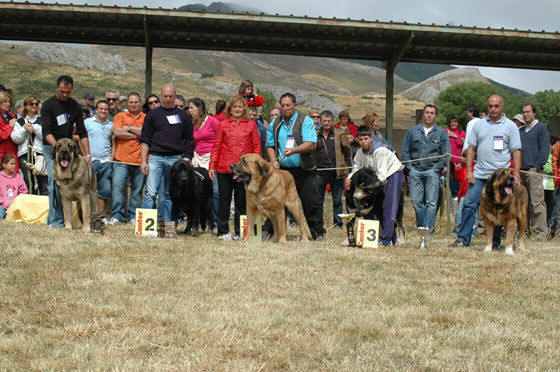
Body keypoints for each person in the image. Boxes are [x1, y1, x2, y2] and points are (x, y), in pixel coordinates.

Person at [450, 95, 522, 248]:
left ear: (502, 106)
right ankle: (463, 239)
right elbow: (471, 149)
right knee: (469, 204)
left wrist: (515, 173)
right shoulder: (479, 125)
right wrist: (469, 171)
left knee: (497, 209)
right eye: (490, 106)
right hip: (480, 175)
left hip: (500, 179)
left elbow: (516, 151)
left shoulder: (510, 126)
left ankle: (494, 242)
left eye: (496, 106)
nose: (493, 109)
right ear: (487, 107)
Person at [266, 92, 325, 240]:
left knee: (311, 201)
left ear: (295, 105)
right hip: (283, 170)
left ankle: (318, 233)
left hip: (304, 169)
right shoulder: (275, 122)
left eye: (288, 105)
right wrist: (273, 161)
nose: (285, 108)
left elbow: (311, 143)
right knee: (275, 201)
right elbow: (270, 144)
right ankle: (271, 232)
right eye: (283, 105)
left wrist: (294, 150)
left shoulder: (305, 120)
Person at [41, 75, 91, 228]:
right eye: (62, 91)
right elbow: (46, 132)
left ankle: (73, 220)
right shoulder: (48, 105)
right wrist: (58, 148)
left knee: (72, 184)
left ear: (72, 89)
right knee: (54, 183)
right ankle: (56, 222)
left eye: (68, 92)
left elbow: (82, 132)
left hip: (69, 151)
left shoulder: (75, 106)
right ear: (56, 87)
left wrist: (87, 154)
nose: (64, 95)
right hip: (52, 149)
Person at [140, 84, 194, 222]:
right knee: (151, 193)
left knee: (171, 194)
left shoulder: (184, 116)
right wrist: (143, 161)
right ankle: (146, 225)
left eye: (171, 96)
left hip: (175, 159)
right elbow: (145, 139)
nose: (168, 99)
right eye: (165, 96)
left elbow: (189, 140)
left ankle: (168, 223)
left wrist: (187, 158)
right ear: (161, 95)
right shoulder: (152, 115)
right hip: (155, 157)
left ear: (175, 96)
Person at [209, 95, 260, 240]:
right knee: (223, 201)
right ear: (230, 108)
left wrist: (255, 167)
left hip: (244, 170)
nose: (237, 109)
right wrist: (212, 165)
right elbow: (217, 146)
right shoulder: (223, 124)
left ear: (244, 108)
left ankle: (240, 232)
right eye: (235, 107)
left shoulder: (251, 125)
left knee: (242, 201)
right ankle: (222, 232)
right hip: (224, 167)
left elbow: (256, 147)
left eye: (240, 106)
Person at [346, 126, 405, 246]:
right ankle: (391, 239)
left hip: (393, 174)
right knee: (380, 207)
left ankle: (385, 240)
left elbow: (382, 176)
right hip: (376, 179)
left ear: (371, 138)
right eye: (361, 139)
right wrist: (349, 179)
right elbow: (356, 168)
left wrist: (367, 191)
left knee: (389, 206)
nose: (363, 141)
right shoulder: (359, 152)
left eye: (365, 138)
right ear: (357, 139)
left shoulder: (380, 151)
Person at [401, 104, 450, 232]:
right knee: (416, 202)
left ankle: (428, 229)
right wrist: (410, 167)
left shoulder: (441, 133)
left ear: (435, 116)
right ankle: (423, 227)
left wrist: (437, 168)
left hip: (432, 170)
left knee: (431, 203)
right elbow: (405, 152)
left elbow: (445, 153)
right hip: (415, 171)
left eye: (432, 113)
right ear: (423, 115)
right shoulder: (412, 131)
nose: (429, 115)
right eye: (427, 112)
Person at [110, 92, 146, 224]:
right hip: (121, 159)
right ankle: (117, 215)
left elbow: (147, 133)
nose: (133, 104)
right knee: (118, 187)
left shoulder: (146, 117)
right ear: (127, 103)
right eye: (131, 102)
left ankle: (133, 216)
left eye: (136, 102)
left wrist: (129, 128)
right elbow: (117, 132)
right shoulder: (120, 116)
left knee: (137, 191)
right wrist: (138, 133)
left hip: (139, 160)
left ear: (140, 102)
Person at [315, 110, 351, 229]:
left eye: (328, 121)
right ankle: (318, 223)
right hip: (319, 172)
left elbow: (347, 153)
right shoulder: (314, 134)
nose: (326, 123)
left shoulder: (340, 133)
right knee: (319, 200)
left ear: (332, 121)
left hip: (336, 171)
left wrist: (347, 172)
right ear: (320, 121)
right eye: (324, 121)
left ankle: (338, 223)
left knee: (337, 200)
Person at [519, 103, 550, 240]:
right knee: (521, 203)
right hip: (520, 171)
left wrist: (536, 168)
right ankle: (523, 231)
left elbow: (544, 150)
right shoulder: (520, 130)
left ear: (534, 113)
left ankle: (539, 233)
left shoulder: (541, 128)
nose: (525, 114)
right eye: (523, 112)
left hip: (534, 171)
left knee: (536, 202)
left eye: (528, 112)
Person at [189, 97, 220, 229]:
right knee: (197, 192)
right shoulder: (191, 123)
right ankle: (200, 222)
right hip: (197, 159)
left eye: (191, 108)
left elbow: (221, 137)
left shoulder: (212, 121)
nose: (189, 110)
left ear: (200, 109)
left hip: (211, 159)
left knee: (214, 191)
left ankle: (215, 222)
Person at [11, 96, 48, 195]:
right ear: (26, 106)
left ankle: (46, 207)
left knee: (43, 182)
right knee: (29, 182)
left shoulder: (43, 120)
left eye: (36, 104)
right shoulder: (19, 122)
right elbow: (15, 139)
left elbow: (46, 135)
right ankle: (32, 206)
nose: (34, 106)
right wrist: (24, 129)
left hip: (39, 155)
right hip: (25, 155)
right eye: (31, 104)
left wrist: (34, 128)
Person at [84, 100, 113, 218]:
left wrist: (112, 157)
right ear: (96, 109)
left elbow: (114, 142)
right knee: (88, 189)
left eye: (106, 109)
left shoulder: (111, 125)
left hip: (106, 161)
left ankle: (100, 216)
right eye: (101, 109)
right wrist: (86, 155)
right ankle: (88, 214)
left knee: (105, 189)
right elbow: (80, 138)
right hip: (91, 160)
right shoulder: (87, 122)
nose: (103, 111)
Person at [0, 153, 27, 219]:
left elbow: (23, 191)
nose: (14, 165)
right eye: (11, 164)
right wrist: (2, 201)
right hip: (2, 205)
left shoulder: (18, 177)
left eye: (15, 164)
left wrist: (17, 200)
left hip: (15, 205)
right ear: (4, 165)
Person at [0, 92, 19, 173]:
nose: (8, 104)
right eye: (5, 101)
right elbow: (1, 135)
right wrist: (10, 126)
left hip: (13, 152)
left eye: (9, 102)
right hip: (1, 153)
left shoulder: (12, 115)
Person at [447, 117, 466, 198]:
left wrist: (455, 136)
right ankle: (451, 193)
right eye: (452, 122)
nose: (453, 124)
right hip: (448, 158)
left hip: (458, 159)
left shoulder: (462, 132)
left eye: (455, 122)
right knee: (449, 176)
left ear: (458, 123)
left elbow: (464, 142)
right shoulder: (446, 131)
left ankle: (457, 193)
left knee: (457, 177)